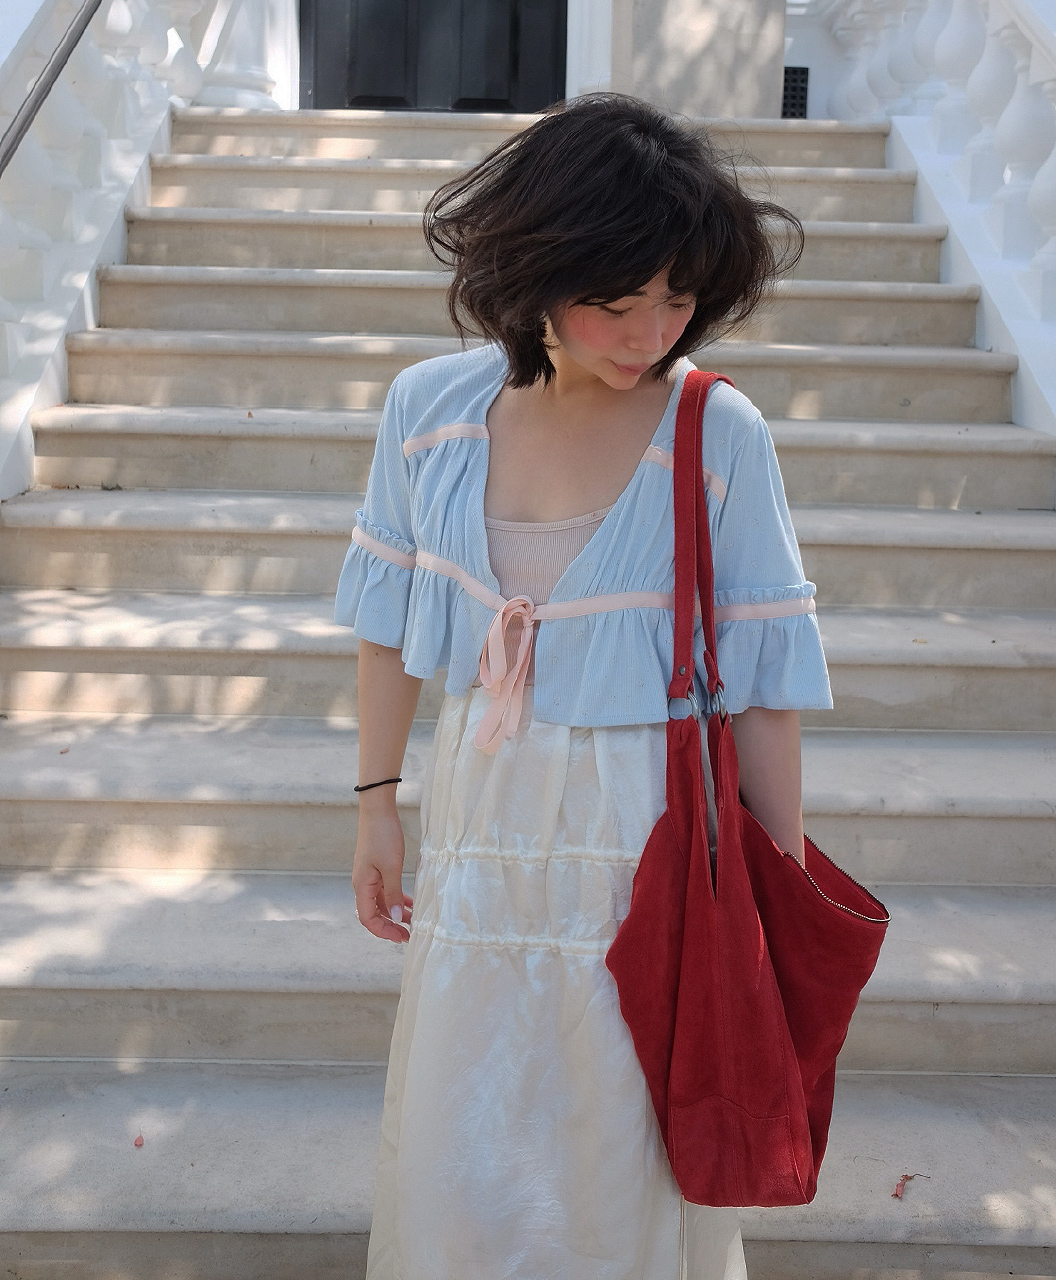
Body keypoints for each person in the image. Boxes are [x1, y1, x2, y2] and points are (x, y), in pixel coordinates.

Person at [335, 93, 833, 1280]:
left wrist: (779, 879)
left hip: (642, 832)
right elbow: (385, 626)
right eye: (615, 300)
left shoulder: (718, 432)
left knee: (617, 1144)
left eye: (679, 297)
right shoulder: (429, 411)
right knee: (462, 1127)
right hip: (480, 818)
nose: (650, 331)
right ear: (534, 272)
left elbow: (764, 684)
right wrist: (375, 803)